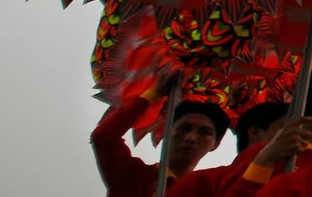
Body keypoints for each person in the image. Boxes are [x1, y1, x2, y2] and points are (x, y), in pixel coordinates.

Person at [91, 72, 230, 197]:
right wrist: (153, 94)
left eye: (204, 132)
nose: (190, 138)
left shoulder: (206, 190)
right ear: (167, 132)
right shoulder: (133, 176)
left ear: (216, 144)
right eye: (184, 128)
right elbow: (104, 137)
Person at [165, 101, 290, 197]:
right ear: (255, 131)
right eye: (286, 128)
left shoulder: (297, 181)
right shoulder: (202, 182)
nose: (191, 138)